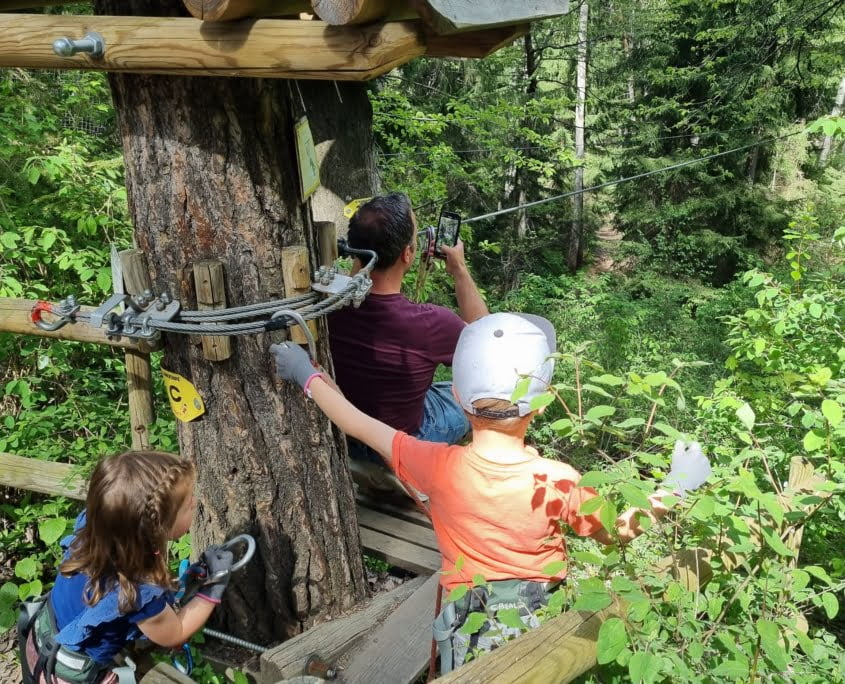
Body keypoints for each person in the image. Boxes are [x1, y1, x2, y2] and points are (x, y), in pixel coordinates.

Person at [270, 312, 711, 674]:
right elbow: (616, 531)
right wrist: (673, 485)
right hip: (538, 623)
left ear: (458, 396)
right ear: (542, 403)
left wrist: (305, 372)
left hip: (465, 619)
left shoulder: (437, 466)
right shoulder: (557, 479)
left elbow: (354, 421)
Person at [18, 450, 235, 684]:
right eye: (189, 506)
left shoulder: (92, 530)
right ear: (157, 527)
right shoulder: (135, 588)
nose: (195, 503)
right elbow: (175, 633)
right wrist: (213, 587)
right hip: (70, 675)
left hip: (40, 641)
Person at [327, 193, 489, 496]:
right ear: (407, 255)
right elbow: (488, 341)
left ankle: (366, 465)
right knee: (469, 397)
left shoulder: (327, 305)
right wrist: (459, 270)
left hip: (348, 436)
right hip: (402, 445)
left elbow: (356, 290)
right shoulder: (431, 323)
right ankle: (417, 472)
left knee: (435, 391)